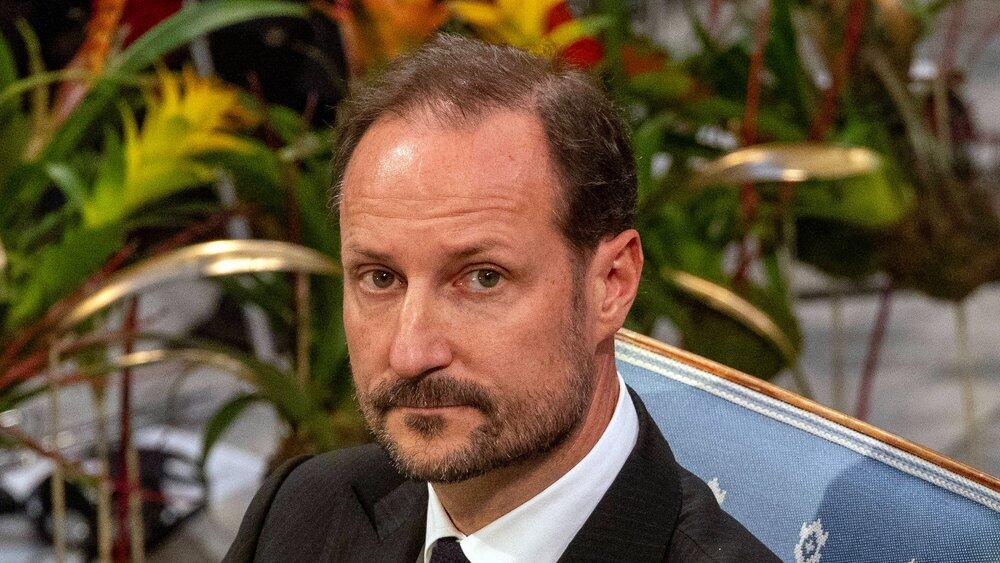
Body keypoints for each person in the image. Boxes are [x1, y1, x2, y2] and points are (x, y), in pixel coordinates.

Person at [224, 34, 778, 562]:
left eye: (483, 278)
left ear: (611, 284)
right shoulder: (302, 510)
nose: (410, 354)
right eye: (380, 279)